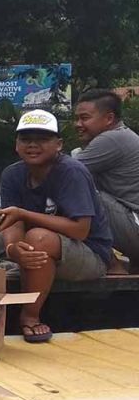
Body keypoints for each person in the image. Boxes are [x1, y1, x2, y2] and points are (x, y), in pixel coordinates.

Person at [0, 109, 112, 343]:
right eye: (26, 139)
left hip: (87, 253)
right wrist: (11, 249)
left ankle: (30, 316)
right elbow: (11, 222)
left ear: (58, 144)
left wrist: (24, 215)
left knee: (38, 239)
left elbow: (80, 229)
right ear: (16, 145)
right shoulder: (13, 174)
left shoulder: (71, 172)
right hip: (32, 242)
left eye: (42, 139)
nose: (33, 145)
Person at [74, 89, 139, 274]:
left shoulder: (112, 139)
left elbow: (63, 174)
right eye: (77, 118)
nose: (78, 124)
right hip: (130, 223)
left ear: (109, 119)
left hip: (134, 226)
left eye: (84, 118)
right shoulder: (123, 136)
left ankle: (110, 263)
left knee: (82, 192)